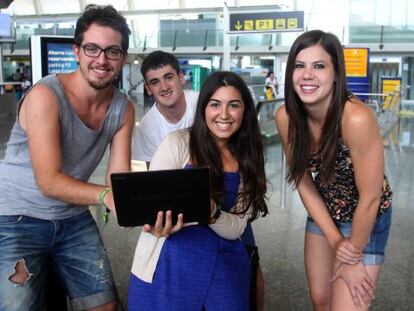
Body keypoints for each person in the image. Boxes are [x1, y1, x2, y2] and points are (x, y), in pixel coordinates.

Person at [0, 4, 135, 311]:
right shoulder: (46, 96)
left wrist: (135, 203)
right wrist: (105, 196)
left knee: (105, 306)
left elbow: (119, 181)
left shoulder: (122, 109)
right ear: (76, 52)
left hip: (71, 218)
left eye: (112, 51)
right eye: (92, 49)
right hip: (14, 217)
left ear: (123, 58)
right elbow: (49, 182)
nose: (101, 60)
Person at [128, 71, 268, 310]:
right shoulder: (178, 143)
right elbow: (151, 210)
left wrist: (211, 211)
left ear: (245, 111)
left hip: (224, 258)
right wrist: (156, 225)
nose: (223, 114)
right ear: (204, 108)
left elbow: (236, 228)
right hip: (170, 259)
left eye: (233, 105)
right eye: (215, 105)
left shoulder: (247, 156)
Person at [275, 30, 392, 310]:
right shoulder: (287, 118)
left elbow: (371, 198)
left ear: (336, 73)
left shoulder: (356, 118)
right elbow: (303, 182)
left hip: (367, 215)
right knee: (321, 301)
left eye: (319, 66)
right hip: (325, 210)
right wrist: (336, 239)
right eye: (299, 66)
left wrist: (350, 257)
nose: (307, 75)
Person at [131, 50, 199, 165]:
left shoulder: (201, 103)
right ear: (148, 89)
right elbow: (150, 173)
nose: (164, 87)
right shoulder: (147, 126)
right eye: (155, 82)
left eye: (168, 77)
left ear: (181, 78)